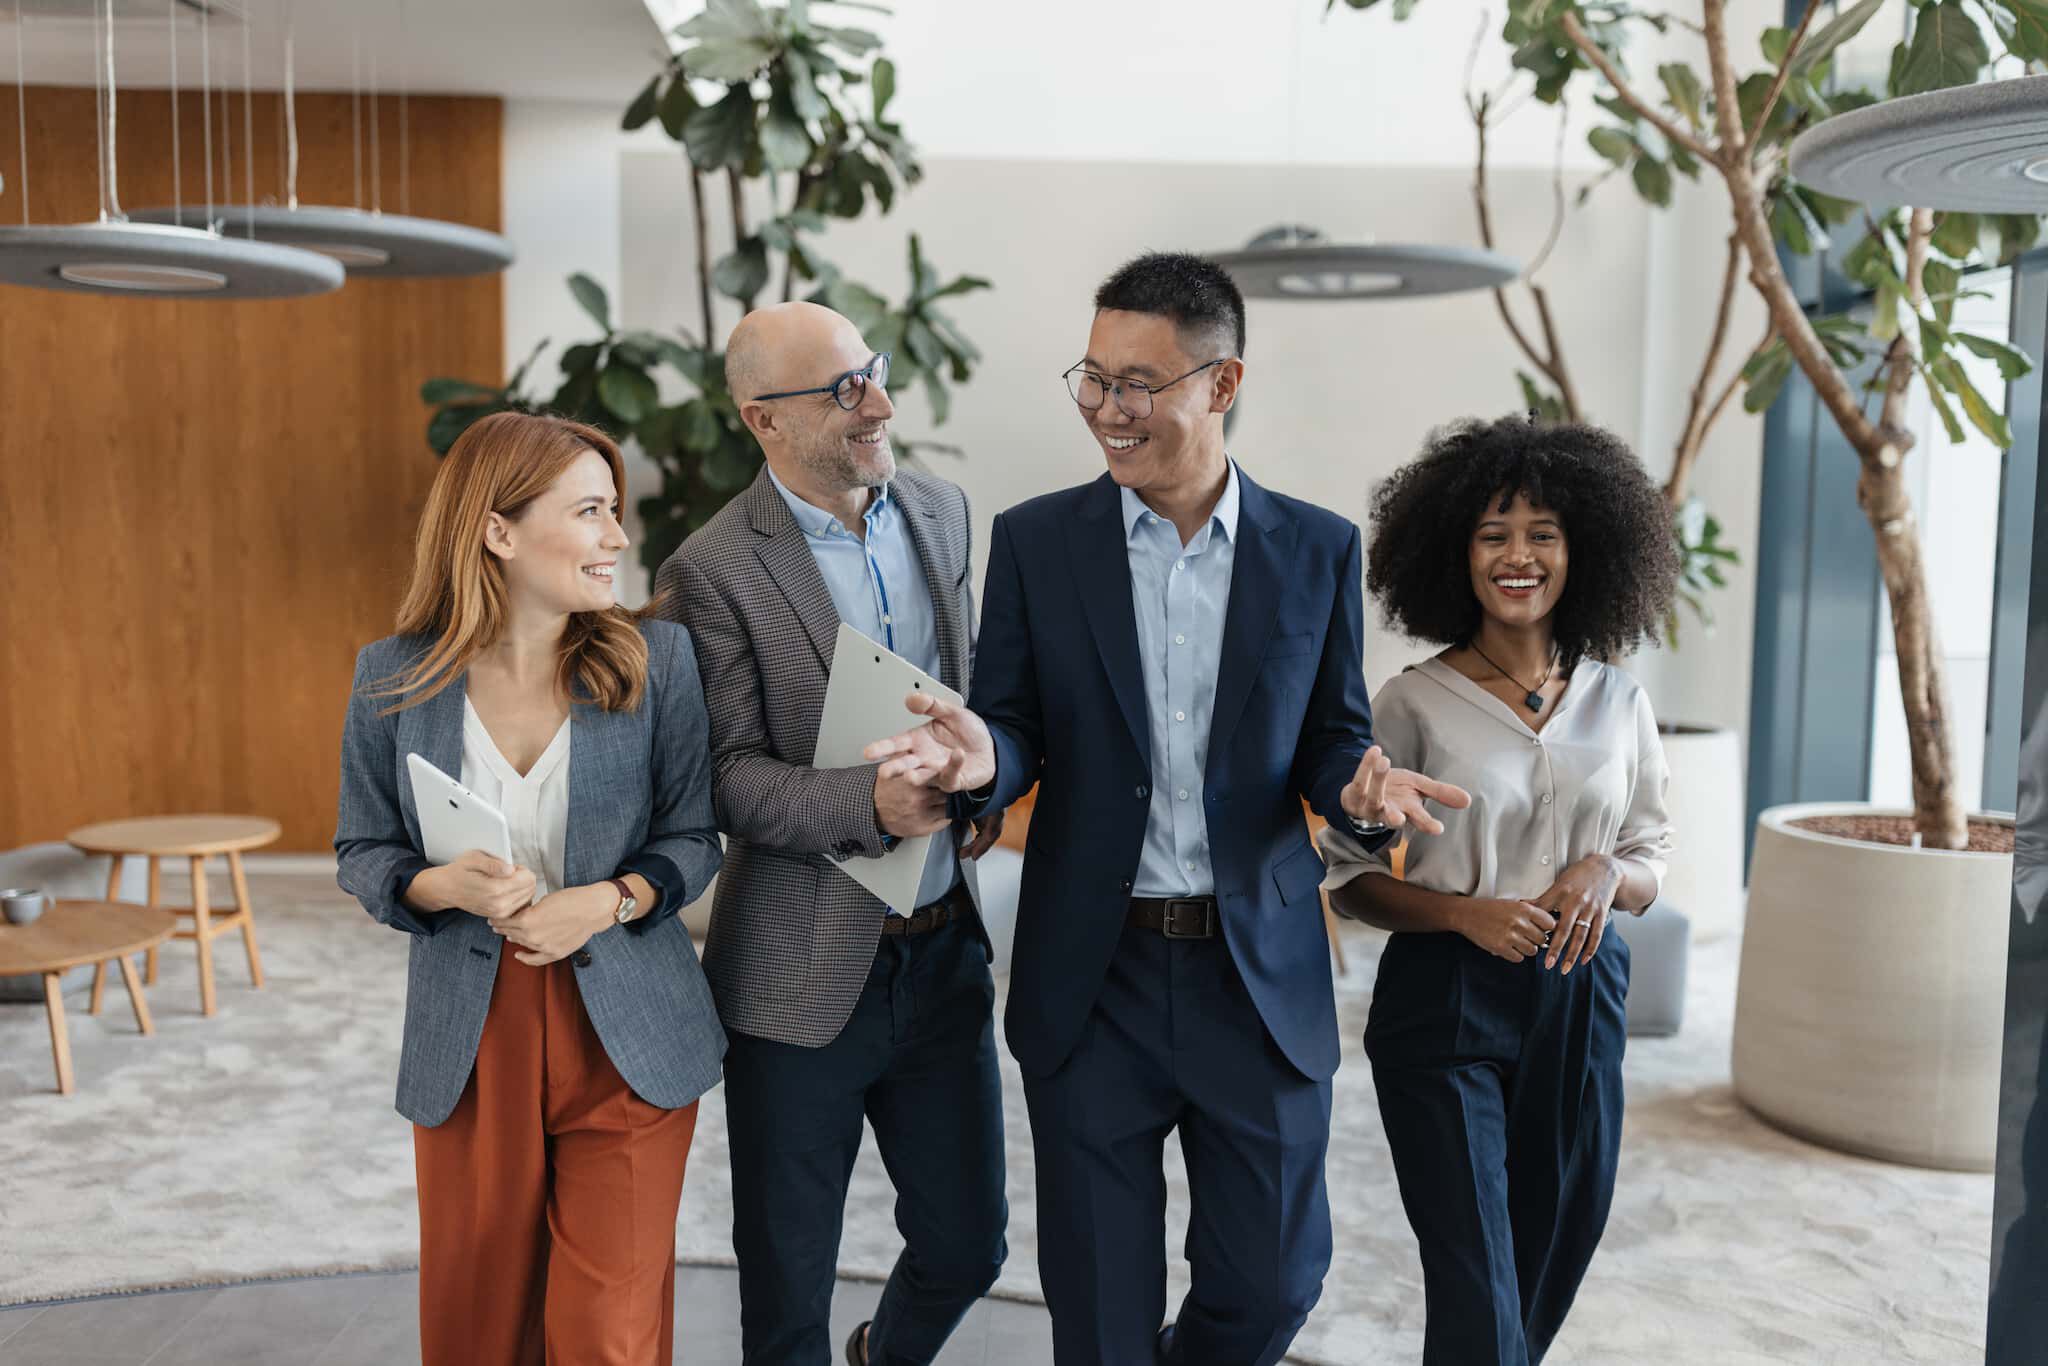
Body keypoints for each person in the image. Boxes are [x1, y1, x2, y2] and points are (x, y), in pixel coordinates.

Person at [865, 252, 1466, 1365]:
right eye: (1091, 378)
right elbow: (1011, 721)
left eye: (1137, 382)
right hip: (1096, 975)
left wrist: (1358, 783)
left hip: (1257, 971)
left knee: (1276, 1275)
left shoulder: (1317, 548)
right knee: (1097, 1308)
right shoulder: (1042, 540)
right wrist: (976, 759)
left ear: (1220, 384)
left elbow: (1331, 733)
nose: (1107, 409)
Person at [652, 301, 1008, 1366]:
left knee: (967, 1243)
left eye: (875, 373)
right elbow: (719, 779)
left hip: (943, 947)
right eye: (845, 390)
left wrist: (969, 775)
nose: (881, 405)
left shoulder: (941, 512)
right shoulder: (708, 571)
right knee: (786, 1287)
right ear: (762, 420)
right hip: (795, 979)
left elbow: (972, 689)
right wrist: (866, 808)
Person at [334, 412, 725, 1366]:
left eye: (615, 511)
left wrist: (614, 897)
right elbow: (360, 848)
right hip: (473, 1034)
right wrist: (436, 886)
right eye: (590, 512)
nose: (618, 538)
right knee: (478, 1324)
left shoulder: (656, 661)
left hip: (628, 1025)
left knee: (607, 1335)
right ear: (498, 530)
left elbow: (694, 836)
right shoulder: (391, 677)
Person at [1318, 414, 1679, 1365]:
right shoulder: (1410, 701)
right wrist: (1462, 915)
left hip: (1582, 990)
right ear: (1455, 553)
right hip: (1442, 1000)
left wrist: (1608, 869)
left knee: (1558, 1240)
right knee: (1476, 1273)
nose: (1518, 556)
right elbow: (1351, 880)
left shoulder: (1620, 700)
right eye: (1492, 534)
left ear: (1582, 551)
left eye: (1542, 534)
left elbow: (1652, 853)